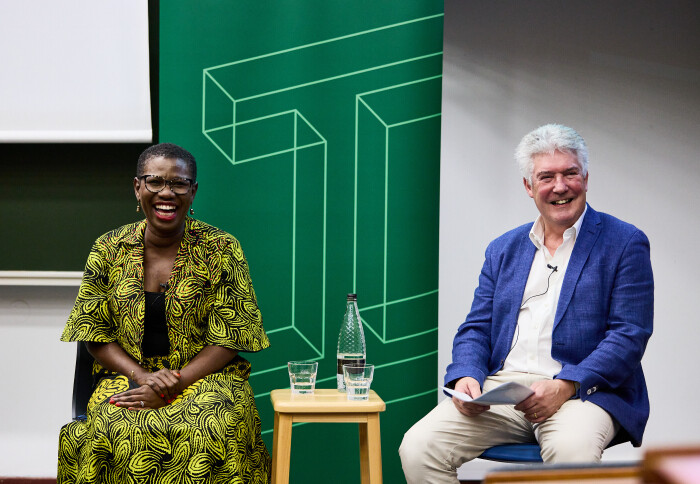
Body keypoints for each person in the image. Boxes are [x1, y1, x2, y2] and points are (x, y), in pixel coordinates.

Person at [399, 124, 654, 483]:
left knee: (571, 455)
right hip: (504, 391)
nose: (560, 186)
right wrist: (467, 375)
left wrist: (566, 384)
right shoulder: (503, 248)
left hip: (582, 394)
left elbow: (629, 335)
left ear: (586, 177)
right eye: (546, 177)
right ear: (528, 187)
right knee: (418, 447)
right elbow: (476, 328)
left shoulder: (625, 242)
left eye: (570, 173)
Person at [58, 143, 271, 483]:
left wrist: (174, 383)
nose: (166, 193)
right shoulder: (107, 248)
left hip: (207, 379)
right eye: (155, 181)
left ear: (193, 190)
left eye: (179, 183)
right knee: (114, 426)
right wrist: (144, 378)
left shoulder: (221, 249)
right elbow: (95, 335)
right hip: (128, 376)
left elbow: (231, 336)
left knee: (211, 425)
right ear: (137, 187)